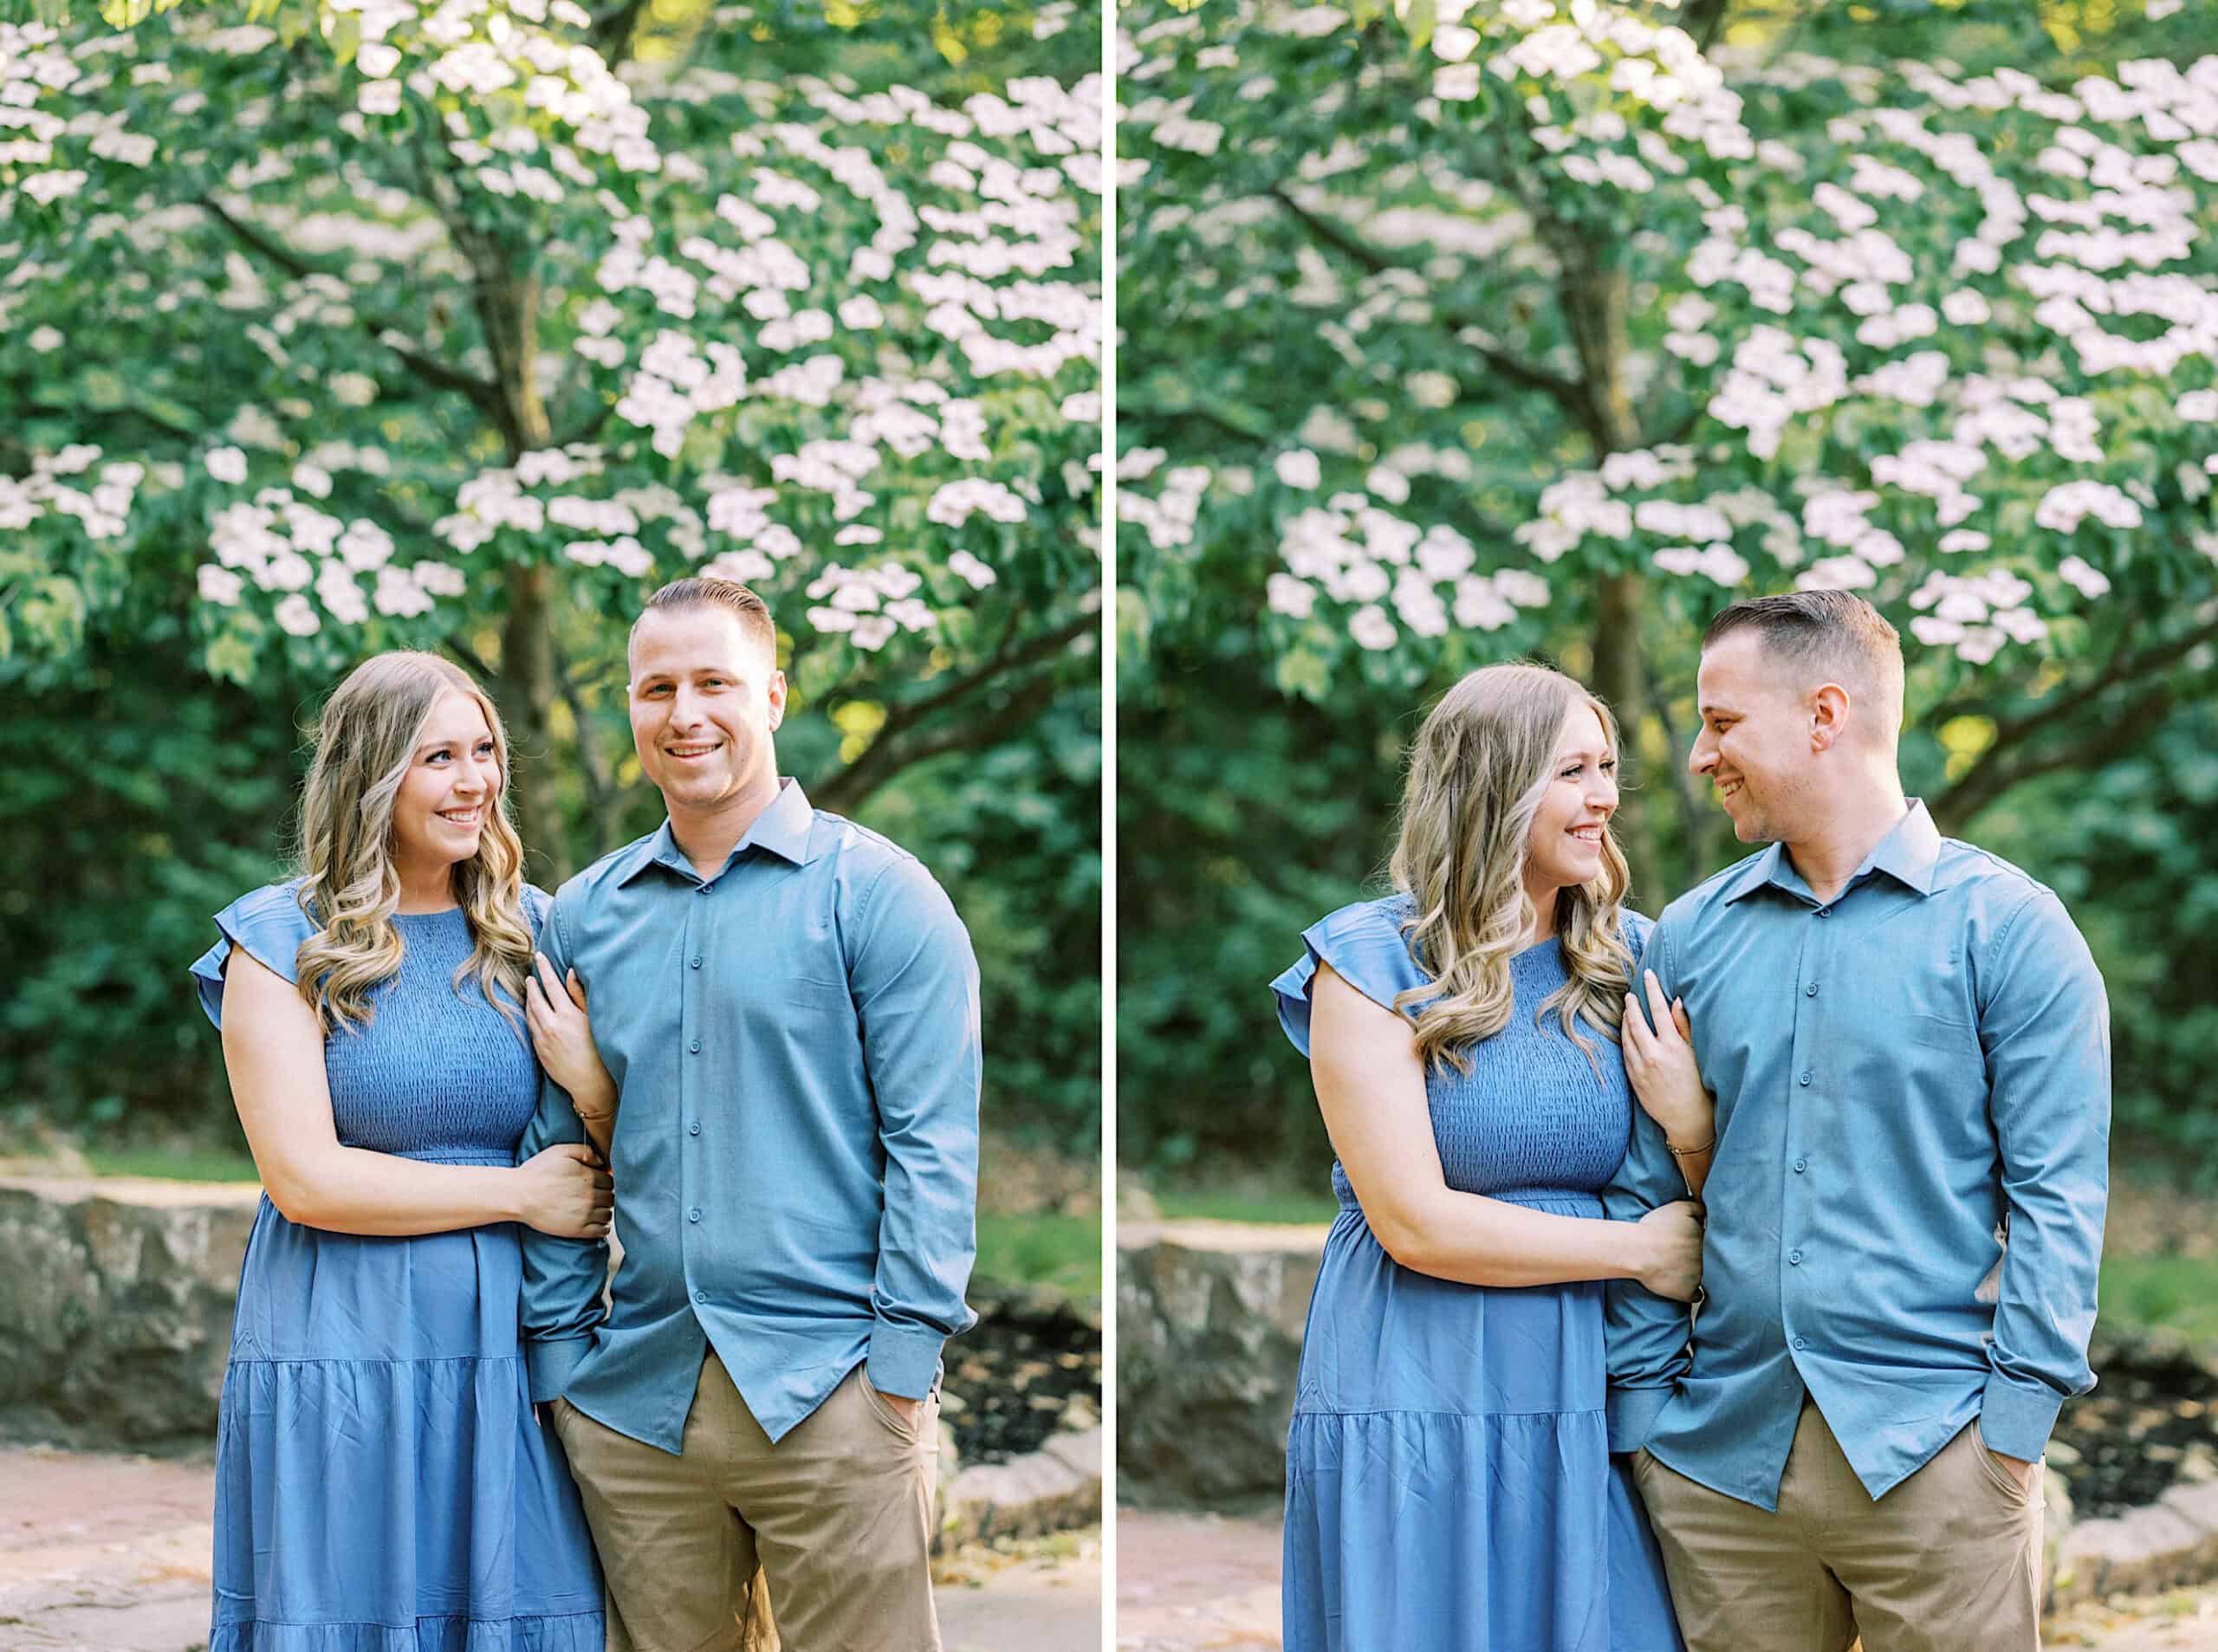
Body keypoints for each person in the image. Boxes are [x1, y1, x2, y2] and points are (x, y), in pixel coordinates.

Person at [1604, 590, 2111, 1652]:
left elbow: (2059, 1200)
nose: (1700, 754)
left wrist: (2009, 1436)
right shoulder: (1688, 937)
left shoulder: (2010, 931)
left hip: (1938, 1463)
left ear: (1823, 713)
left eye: (1722, 721)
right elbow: (1644, 1183)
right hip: (1721, 1472)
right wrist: (1645, 1422)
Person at [518, 576, 983, 1652]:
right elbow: (555, 1156)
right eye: (656, 687)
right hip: (635, 1406)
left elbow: (935, 1145)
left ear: (773, 695)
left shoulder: (880, 894)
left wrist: (898, 1376)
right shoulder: (584, 913)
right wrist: (561, 1368)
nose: (685, 713)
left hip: (833, 1392)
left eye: (713, 682)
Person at [1268, 661, 1707, 1652]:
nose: (1604, 796)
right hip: (1416, 1376)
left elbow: (1715, 1174)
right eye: (1572, 771)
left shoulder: (1636, 959)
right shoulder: (1368, 963)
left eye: (1607, 769)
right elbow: (1413, 1220)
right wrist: (1637, 1250)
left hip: (1592, 1374)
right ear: (1493, 789)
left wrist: (1688, 1126)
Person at [188, 651, 611, 1652]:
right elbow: (305, 1178)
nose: (474, 782)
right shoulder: (278, 942)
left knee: (527, 1612)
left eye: (484, 751)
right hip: (341, 1337)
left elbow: (619, 1132)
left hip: (508, 1337)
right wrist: (516, 1193)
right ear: (372, 775)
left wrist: (589, 1086)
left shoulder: (536, 932)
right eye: (438, 758)